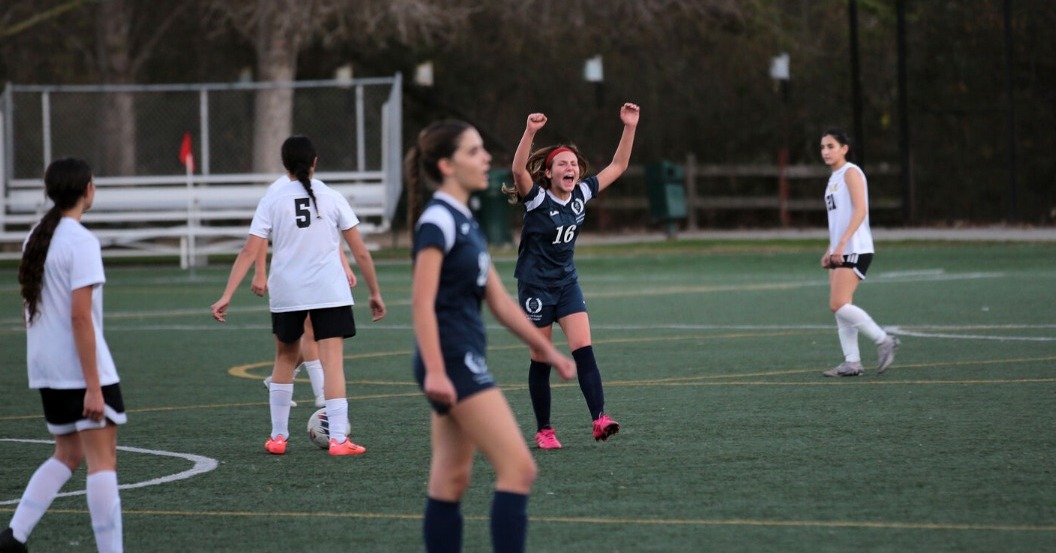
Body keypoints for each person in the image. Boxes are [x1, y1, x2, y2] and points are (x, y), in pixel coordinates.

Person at [408, 120, 576, 553]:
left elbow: (500, 301)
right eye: (474, 151)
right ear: (447, 165)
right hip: (452, 362)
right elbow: (422, 302)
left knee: (451, 479)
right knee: (519, 469)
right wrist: (438, 371)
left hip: (459, 357)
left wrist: (548, 351)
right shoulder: (437, 221)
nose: (486, 159)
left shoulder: (465, 218)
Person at [210, 135, 386, 456]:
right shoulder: (332, 197)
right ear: (315, 161)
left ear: (284, 165)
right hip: (329, 292)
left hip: (287, 292)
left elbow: (250, 250)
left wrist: (226, 295)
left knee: (285, 358)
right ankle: (339, 440)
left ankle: (278, 438)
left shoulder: (273, 199)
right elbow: (359, 252)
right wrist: (374, 292)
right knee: (333, 363)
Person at [2, 158, 126, 553]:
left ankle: (14, 536)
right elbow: (80, 317)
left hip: (47, 368)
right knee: (102, 462)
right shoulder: (81, 241)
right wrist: (93, 387)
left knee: (67, 453)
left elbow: (30, 310)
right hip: (80, 373)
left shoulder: (36, 236)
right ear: (87, 189)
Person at [504, 103, 639, 449]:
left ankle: (599, 419)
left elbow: (619, 165)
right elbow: (519, 168)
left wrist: (629, 126)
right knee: (541, 358)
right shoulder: (535, 199)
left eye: (574, 164)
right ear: (548, 173)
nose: (570, 168)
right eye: (562, 164)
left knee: (584, 350)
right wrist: (530, 132)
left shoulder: (580, 194)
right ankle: (545, 430)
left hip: (566, 284)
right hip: (535, 287)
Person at [818, 128, 900, 377]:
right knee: (843, 306)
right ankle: (852, 362)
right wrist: (830, 248)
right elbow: (838, 219)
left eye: (831, 146)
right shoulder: (833, 178)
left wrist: (841, 244)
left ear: (844, 148)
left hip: (855, 248)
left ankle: (883, 340)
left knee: (837, 304)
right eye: (822, 147)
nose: (825, 151)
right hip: (841, 248)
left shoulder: (851, 172)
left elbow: (860, 211)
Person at [253, 218, 358, 409]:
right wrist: (259, 271)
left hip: (319, 275)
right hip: (293, 277)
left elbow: (329, 236)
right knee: (308, 330)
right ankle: (321, 392)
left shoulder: (320, 195)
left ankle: (281, 378)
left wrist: (345, 265)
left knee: (317, 335)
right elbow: (258, 235)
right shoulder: (279, 195)